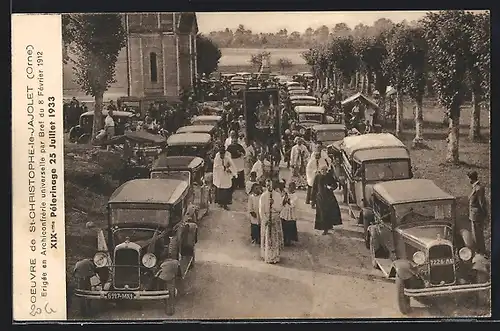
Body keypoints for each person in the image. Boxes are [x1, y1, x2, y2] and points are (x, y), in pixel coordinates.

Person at [311, 164, 342, 235]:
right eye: (322, 170)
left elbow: (335, 185)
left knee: (328, 213)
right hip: (320, 198)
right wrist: (312, 200)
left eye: (324, 170)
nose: (323, 172)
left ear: (326, 171)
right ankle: (324, 228)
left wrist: (331, 187)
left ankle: (328, 227)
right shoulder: (317, 177)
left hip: (329, 198)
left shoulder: (329, 176)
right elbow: (314, 188)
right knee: (322, 214)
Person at [259, 179, 284, 264]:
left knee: (274, 238)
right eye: (267, 185)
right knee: (267, 238)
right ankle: (267, 256)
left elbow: (280, 208)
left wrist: (273, 205)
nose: (269, 187)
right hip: (266, 219)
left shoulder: (277, 195)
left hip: (275, 217)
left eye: (270, 185)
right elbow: (261, 210)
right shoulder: (263, 196)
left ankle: (275, 256)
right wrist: (265, 219)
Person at [467, 171, 488, 255]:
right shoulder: (474, 187)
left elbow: (481, 203)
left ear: (471, 179)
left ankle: (481, 251)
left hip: (477, 215)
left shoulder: (479, 188)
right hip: (474, 215)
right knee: (475, 234)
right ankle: (479, 250)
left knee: (478, 234)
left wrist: (485, 214)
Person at [212, 146, 237, 210]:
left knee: (226, 190)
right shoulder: (217, 158)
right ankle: (220, 203)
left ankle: (225, 204)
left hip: (226, 177)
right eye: (221, 154)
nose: (222, 155)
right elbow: (216, 167)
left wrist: (231, 170)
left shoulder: (227, 158)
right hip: (219, 176)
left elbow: (232, 166)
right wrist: (225, 167)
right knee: (220, 190)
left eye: (223, 154)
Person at [280, 182, 298, 246]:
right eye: (290, 187)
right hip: (285, 212)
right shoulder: (286, 194)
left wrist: (288, 200)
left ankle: (289, 240)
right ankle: (284, 239)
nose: (291, 188)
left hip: (291, 213)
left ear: (294, 188)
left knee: (290, 226)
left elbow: (293, 204)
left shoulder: (295, 195)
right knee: (284, 225)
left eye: (292, 187)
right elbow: (282, 202)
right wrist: (285, 199)